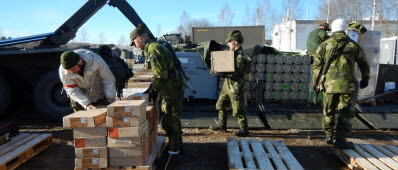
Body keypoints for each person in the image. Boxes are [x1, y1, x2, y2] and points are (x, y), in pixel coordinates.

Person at [312, 19, 370, 149]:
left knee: (328, 111)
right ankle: (340, 139)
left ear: (332, 29)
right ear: (345, 29)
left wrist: (315, 83)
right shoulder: (353, 45)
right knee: (345, 112)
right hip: (347, 85)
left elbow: (316, 66)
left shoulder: (325, 45)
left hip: (329, 85)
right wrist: (365, 79)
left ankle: (328, 135)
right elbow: (364, 63)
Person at [130, 25, 185, 159]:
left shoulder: (154, 49)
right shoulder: (154, 47)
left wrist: (152, 89)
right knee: (170, 117)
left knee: (170, 118)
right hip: (170, 87)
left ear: (139, 38)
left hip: (170, 89)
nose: (135, 46)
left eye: (134, 43)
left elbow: (161, 75)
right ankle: (176, 144)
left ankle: (175, 147)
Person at [210, 30, 251, 137]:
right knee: (220, 105)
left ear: (235, 42)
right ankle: (222, 126)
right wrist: (215, 69)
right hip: (227, 86)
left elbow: (236, 74)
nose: (228, 44)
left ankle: (244, 130)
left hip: (236, 87)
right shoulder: (229, 53)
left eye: (229, 41)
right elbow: (222, 65)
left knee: (239, 110)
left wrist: (221, 74)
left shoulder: (241, 57)